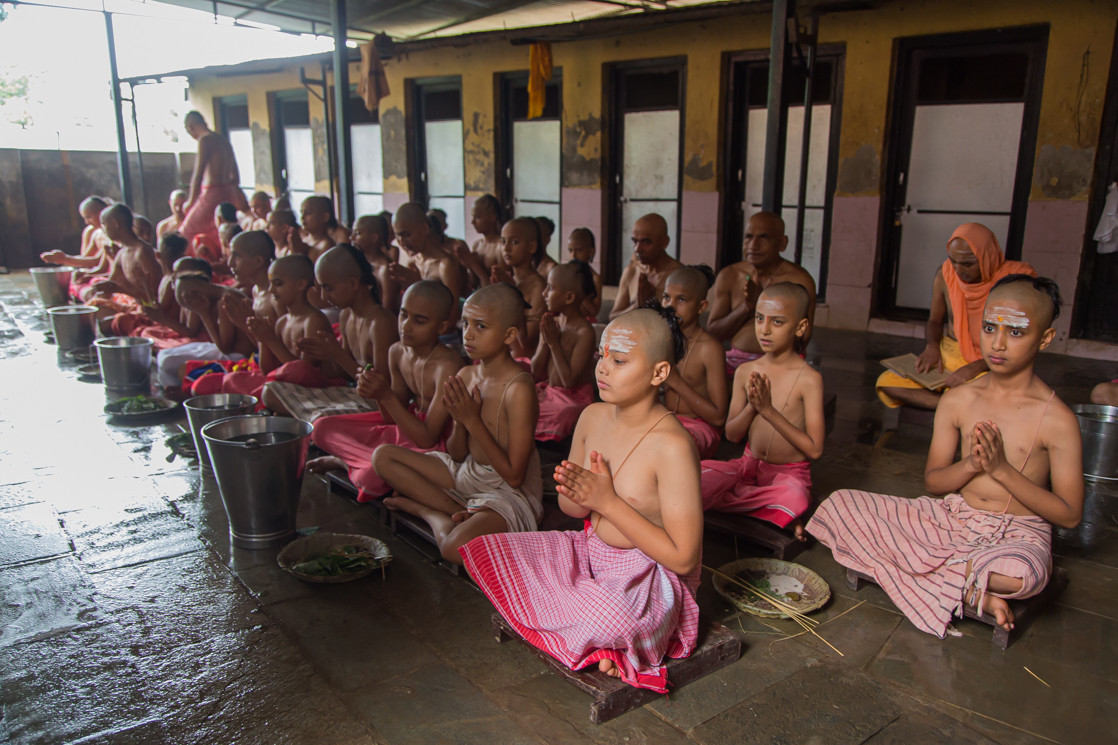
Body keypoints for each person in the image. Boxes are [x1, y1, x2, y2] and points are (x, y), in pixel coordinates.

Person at [810, 276, 1083, 636]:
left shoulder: (1057, 419)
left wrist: (1001, 469)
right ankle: (970, 589)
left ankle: (921, 568)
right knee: (839, 506)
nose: (998, 343)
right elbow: (935, 482)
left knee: (1023, 575)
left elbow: (1069, 514)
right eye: (990, 328)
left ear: (1045, 339)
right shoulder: (958, 399)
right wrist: (972, 464)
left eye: (1016, 332)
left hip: (1017, 533)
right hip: (951, 520)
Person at [459, 306, 703, 692]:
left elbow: (684, 558)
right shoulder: (592, 416)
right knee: (495, 551)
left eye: (618, 360)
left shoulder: (673, 446)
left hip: (646, 578)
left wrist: (608, 502)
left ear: (659, 373)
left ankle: (602, 636)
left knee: (611, 616)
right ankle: (600, 641)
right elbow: (571, 510)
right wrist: (579, 493)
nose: (602, 368)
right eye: (601, 356)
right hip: (590, 553)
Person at [370, 283, 543, 564]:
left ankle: (430, 513)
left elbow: (514, 476)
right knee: (383, 457)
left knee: (454, 549)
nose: (468, 334)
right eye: (465, 323)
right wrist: (461, 422)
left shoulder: (518, 388)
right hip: (468, 473)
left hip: (506, 493)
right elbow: (457, 454)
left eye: (481, 326)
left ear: (509, 335)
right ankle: (456, 510)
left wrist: (471, 420)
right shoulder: (466, 375)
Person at [309, 281, 465, 501]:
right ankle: (365, 464)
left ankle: (347, 462)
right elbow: (390, 419)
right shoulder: (397, 352)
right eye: (403, 315)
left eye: (419, 321)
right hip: (405, 427)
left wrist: (385, 395)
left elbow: (428, 439)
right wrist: (377, 393)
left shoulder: (447, 366)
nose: (406, 326)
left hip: (433, 447)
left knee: (371, 475)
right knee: (321, 427)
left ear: (441, 327)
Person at [701, 283, 824, 539]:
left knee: (795, 495)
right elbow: (732, 435)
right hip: (746, 467)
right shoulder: (746, 371)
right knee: (694, 478)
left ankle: (769, 507)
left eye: (777, 322)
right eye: (759, 318)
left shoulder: (809, 379)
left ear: (800, 327)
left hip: (787, 475)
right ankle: (778, 515)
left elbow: (815, 449)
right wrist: (752, 408)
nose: (764, 330)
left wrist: (768, 411)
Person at [876, 223, 1036, 410]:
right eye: (954, 261)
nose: (959, 270)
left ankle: (954, 404)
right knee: (887, 382)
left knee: (986, 391)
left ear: (987, 257)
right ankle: (954, 406)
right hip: (951, 353)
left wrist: (975, 367)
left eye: (968, 264)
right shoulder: (945, 274)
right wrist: (932, 347)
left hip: (992, 359)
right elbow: (934, 321)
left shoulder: (1015, 282)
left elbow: (1020, 342)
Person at [262, 245, 398, 419]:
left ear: (353, 283)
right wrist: (324, 356)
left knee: (321, 421)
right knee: (271, 391)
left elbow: (381, 387)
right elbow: (341, 373)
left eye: (328, 288)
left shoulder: (380, 322)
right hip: (352, 393)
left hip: (378, 404)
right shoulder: (346, 315)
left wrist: (337, 354)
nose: (324, 297)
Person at [157, 231, 276, 393]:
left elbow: (227, 348)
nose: (230, 262)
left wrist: (204, 313)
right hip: (252, 356)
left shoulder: (266, 297)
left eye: (236, 256)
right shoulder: (255, 290)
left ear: (258, 261)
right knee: (165, 357)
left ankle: (180, 393)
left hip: (249, 360)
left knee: (182, 370)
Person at [707, 212, 817, 374]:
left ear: (782, 243)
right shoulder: (729, 275)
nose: (753, 245)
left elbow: (802, 339)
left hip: (781, 363)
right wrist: (746, 308)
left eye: (763, 238)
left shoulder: (799, 280)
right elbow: (714, 333)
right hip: (735, 361)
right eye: (748, 237)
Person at [660, 266, 728, 458]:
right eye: (666, 297)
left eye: (681, 299)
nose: (670, 306)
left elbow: (719, 417)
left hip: (698, 428)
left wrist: (675, 381)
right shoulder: (661, 340)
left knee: (670, 446)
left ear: (701, 306)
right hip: (663, 421)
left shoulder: (710, 349)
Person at [532, 262, 598, 441]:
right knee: (520, 400)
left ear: (569, 297)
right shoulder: (552, 324)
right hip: (549, 390)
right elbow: (535, 372)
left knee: (566, 413)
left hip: (573, 398)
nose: (544, 293)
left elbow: (568, 382)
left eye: (550, 288)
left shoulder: (584, 332)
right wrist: (545, 343)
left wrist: (554, 344)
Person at [179, 111, 250, 250]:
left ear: (190, 127)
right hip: (228, 193)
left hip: (212, 193)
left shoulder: (205, 140)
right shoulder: (224, 141)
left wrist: (191, 201)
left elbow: (198, 175)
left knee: (186, 233)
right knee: (221, 234)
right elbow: (235, 178)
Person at [87, 204, 163, 326]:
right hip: (136, 305)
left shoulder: (142, 251)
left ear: (115, 223)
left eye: (104, 225)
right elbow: (111, 285)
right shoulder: (122, 253)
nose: (103, 230)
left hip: (153, 310)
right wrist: (100, 289)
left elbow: (155, 294)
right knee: (95, 309)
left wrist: (119, 289)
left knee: (111, 322)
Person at [491, 217, 546, 358]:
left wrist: (512, 295)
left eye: (514, 242)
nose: (506, 248)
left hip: (524, 361)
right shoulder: (509, 279)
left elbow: (524, 346)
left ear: (531, 247)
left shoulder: (538, 286)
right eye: (503, 241)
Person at [388, 203, 462, 306]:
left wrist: (418, 284)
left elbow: (453, 312)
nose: (402, 242)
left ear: (425, 229)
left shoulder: (445, 264)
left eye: (407, 235)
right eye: (398, 236)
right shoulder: (413, 262)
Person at [609, 214, 682, 320]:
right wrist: (637, 306)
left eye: (646, 242)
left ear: (664, 242)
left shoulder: (679, 275)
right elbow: (612, 318)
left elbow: (682, 322)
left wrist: (651, 304)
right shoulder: (631, 271)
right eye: (635, 241)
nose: (637, 249)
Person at [351, 214, 399, 313]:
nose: (351, 237)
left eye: (358, 233)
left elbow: (388, 311)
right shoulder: (357, 263)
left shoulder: (385, 269)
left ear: (373, 238)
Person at [456, 194, 504, 288]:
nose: (472, 222)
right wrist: (466, 265)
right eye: (473, 217)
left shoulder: (500, 247)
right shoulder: (477, 245)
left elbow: (502, 289)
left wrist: (474, 265)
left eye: (477, 217)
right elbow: (474, 284)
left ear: (492, 218)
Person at [290, 196, 343, 262]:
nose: (302, 217)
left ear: (325, 217)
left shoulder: (326, 245)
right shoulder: (304, 239)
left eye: (308, 213)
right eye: (301, 213)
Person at [567, 227, 602, 320]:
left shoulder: (595, 278)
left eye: (578, 250)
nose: (573, 255)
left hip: (586, 321)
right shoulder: (565, 274)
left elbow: (594, 311)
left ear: (591, 251)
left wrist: (580, 292)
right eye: (570, 250)